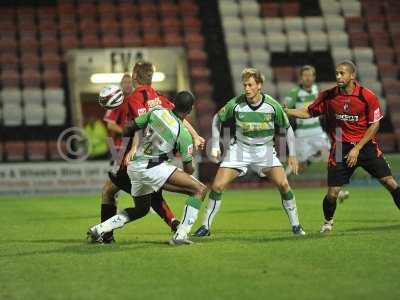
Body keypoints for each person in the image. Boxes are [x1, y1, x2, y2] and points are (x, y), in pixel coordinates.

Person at [284, 60, 400, 233]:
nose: (338, 76)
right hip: (340, 148)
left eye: (342, 73)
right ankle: (328, 222)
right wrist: (288, 111)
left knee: (390, 183)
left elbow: (374, 125)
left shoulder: (367, 96)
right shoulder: (329, 96)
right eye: (336, 73)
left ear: (352, 75)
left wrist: (358, 148)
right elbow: (309, 111)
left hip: (365, 147)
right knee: (333, 193)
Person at [194, 68, 306, 237]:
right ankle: (205, 227)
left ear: (259, 85)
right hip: (240, 150)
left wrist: (292, 155)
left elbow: (288, 128)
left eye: (250, 85)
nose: (246, 88)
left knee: (283, 185)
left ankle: (296, 226)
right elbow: (217, 118)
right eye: (244, 85)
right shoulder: (236, 104)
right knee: (217, 186)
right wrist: (216, 145)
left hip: (265, 152)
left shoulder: (272, 105)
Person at [100, 64, 204, 243]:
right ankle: (175, 225)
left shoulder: (132, 99)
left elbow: (139, 126)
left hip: (134, 157)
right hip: (158, 154)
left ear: (134, 76)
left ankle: (104, 234)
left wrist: (133, 148)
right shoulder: (160, 97)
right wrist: (195, 135)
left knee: (110, 192)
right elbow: (179, 117)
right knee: (152, 194)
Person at [284, 65, 349, 202]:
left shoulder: (317, 90)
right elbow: (285, 107)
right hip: (302, 135)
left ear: (314, 77)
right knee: (300, 168)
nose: (308, 78)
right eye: (305, 75)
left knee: (333, 158)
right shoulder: (295, 93)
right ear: (301, 78)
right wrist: (286, 108)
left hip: (318, 133)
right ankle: (286, 175)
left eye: (310, 75)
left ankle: (338, 191)